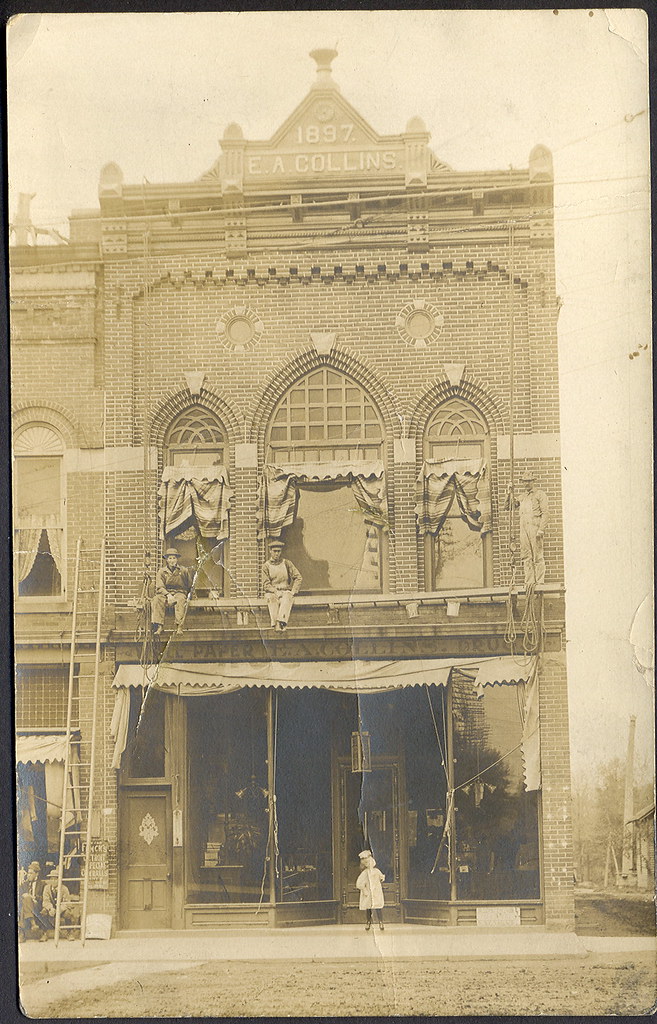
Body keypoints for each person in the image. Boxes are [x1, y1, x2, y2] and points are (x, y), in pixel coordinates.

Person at [505, 473, 548, 587]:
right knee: (526, 555)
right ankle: (529, 582)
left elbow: (545, 513)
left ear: (533, 481)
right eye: (524, 481)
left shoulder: (540, 495)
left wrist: (541, 529)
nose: (527, 483)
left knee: (537, 555)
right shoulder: (522, 497)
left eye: (529, 481)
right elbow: (508, 506)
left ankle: (539, 582)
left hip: (535, 527)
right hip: (523, 528)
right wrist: (509, 492)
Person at [151, 547, 194, 635]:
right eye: (170, 558)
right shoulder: (162, 571)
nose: (172, 560)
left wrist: (190, 595)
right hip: (165, 593)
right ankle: (159, 626)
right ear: (166, 560)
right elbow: (159, 587)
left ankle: (179, 626)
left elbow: (189, 585)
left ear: (177, 559)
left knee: (180, 600)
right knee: (157, 599)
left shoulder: (183, 570)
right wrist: (168, 595)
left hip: (179, 592)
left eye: (174, 558)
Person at [261, 539, 302, 631]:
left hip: (285, 590)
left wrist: (293, 591)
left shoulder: (287, 563)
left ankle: (281, 622)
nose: (277, 554)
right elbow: (266, 584)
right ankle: (275, 624)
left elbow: (298, 577)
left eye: (279, 551)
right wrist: (275, 591)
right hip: (272, 592)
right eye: (275, 551)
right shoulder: (266, 566)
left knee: (287, 598)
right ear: (270, 551)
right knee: (271, 599)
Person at [40, 869, 81, 940]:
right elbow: (45, 901)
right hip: (52, 909)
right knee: (43, 912)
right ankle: (44, 933)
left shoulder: (64, 889)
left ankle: (69, 933)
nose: (53, 881)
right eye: (51, 879)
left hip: (61, 910)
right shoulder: (46, 888)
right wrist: (50, 908)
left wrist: (59, 909)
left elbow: (66, 902)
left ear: (59, 880)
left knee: (68, 913)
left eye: (55, 879)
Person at [356, 849, 385, 931]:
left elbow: (381, 877)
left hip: (376, 890)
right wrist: (364, 890)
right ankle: (368, 921)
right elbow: (359, 883)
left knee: (378, 906)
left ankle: (381, 922)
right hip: (369, 891)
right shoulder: (365, 873)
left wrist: (381, 878)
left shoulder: (376, 871)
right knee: (368, 907)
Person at [18, 861, 47, 941]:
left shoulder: (42, 884)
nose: (28, 875)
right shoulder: (24, 884)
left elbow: (43, 898)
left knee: (27, 900)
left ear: (36, 874)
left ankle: (22, 934)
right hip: (27, 907)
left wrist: (33, 897)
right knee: (25, 901)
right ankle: (33, 923)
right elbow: (19, 896)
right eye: (28, 873)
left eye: (31, 873)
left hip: (37, 906)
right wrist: (25, 897)